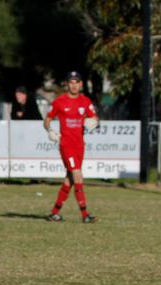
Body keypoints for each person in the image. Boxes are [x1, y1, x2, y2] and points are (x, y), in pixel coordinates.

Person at [43, 71, 99, 223]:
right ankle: (85, 214)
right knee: (77, 174)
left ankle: (54, 212)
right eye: (71, 82)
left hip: (80, 145)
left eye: (77, 82)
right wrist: (50, 131)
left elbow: (94, 118)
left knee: (70, 180)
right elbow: (47, 120)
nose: (74, 85)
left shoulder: (85, 101)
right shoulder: (59, 102)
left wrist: (94, 122)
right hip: (66, 145)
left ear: (81, 84)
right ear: (67, 84)